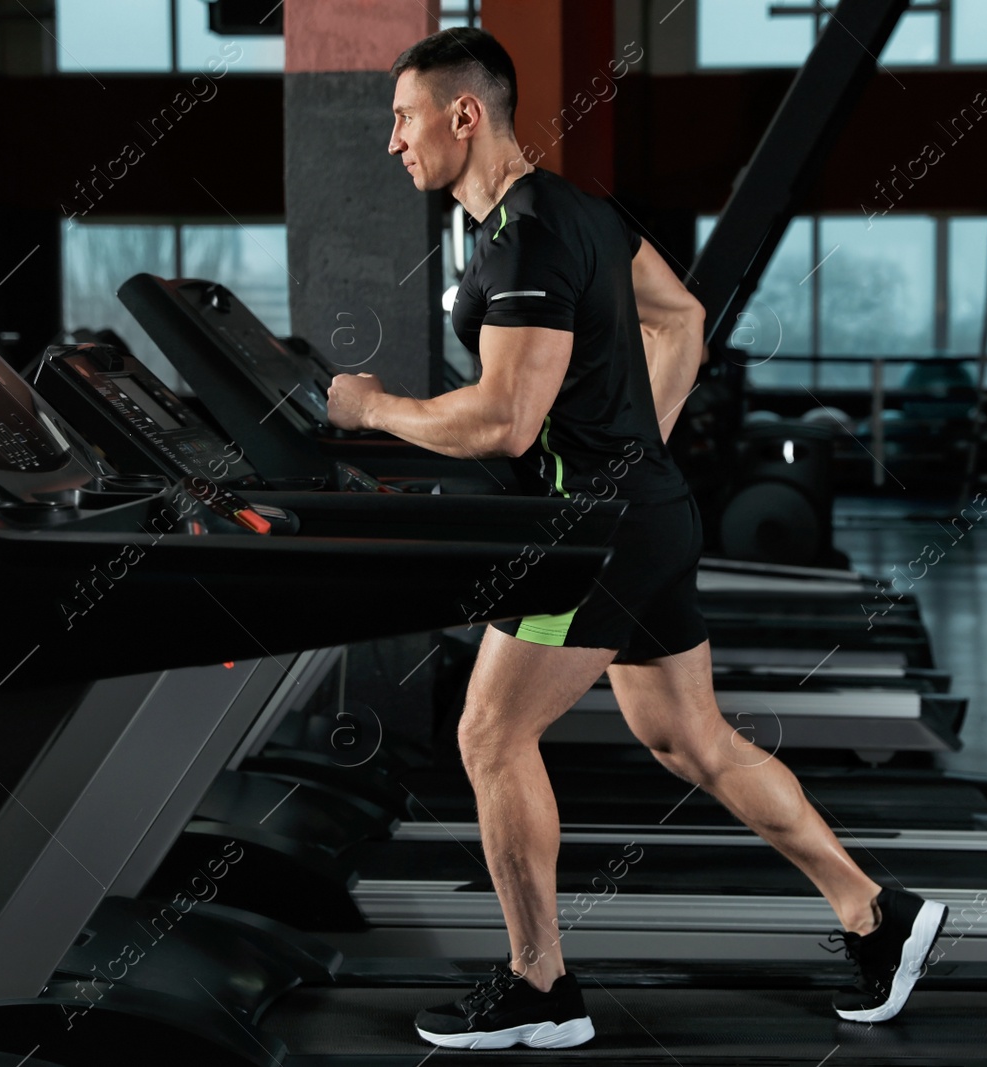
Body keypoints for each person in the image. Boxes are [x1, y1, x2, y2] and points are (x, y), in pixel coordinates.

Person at [325, 27, 947, 1051]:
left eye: (403, 118)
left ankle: (541, 988)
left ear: (463, 114)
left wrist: (372, 408)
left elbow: (501, 423)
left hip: (597, 532)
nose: (394, 142)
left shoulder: (525, 236)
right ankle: (876, 915)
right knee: (688, 738)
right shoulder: (578, 210)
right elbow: (683, 319)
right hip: (644, 508)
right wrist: (633, 447)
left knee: (489, 734)